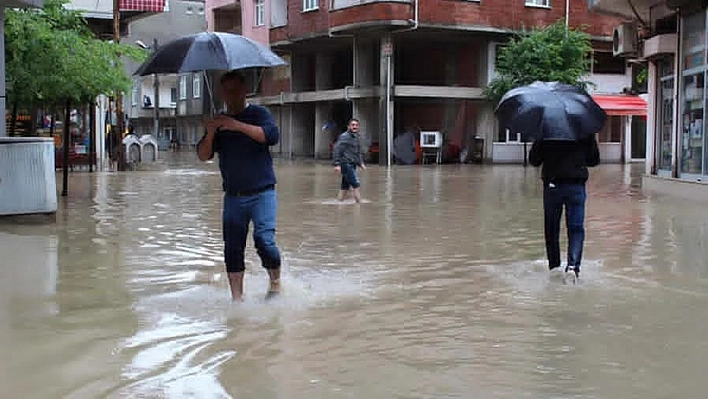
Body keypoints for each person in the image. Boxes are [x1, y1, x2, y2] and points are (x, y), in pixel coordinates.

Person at [197, 70, 282, 301]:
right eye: (226, 91)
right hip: (233, 196)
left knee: (265, 240)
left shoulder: (258, 114)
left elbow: (271, 136)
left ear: (245, 90)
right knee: (232, 247)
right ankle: (237, 298)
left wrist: (236, 125)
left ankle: (275, 283)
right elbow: (204, 155)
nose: (230, 95)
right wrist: (212, 131)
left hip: (263, 192)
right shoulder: (219, 122)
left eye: (235, 90)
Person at [529, 134, 600, 277]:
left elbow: (534, 160)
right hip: (576, 186)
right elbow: (594, 160)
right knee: (576, 228)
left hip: (552, 186)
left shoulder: (547, 130)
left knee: (552, 229)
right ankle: (573, 266)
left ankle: (554, 267)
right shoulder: (584, 129)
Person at [332, 118, 366, 203]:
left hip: (352, 164)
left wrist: (361, 163)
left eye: (356, 125)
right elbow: (337, 150)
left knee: (344, 187)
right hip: (346, 164)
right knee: (356, 184)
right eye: (353, 125)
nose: (355, 127)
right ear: (348, 126)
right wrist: (336, 164)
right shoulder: (344, 136)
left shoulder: (357, 137)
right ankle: (360, 205)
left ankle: (338, 204)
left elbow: (357, 152)